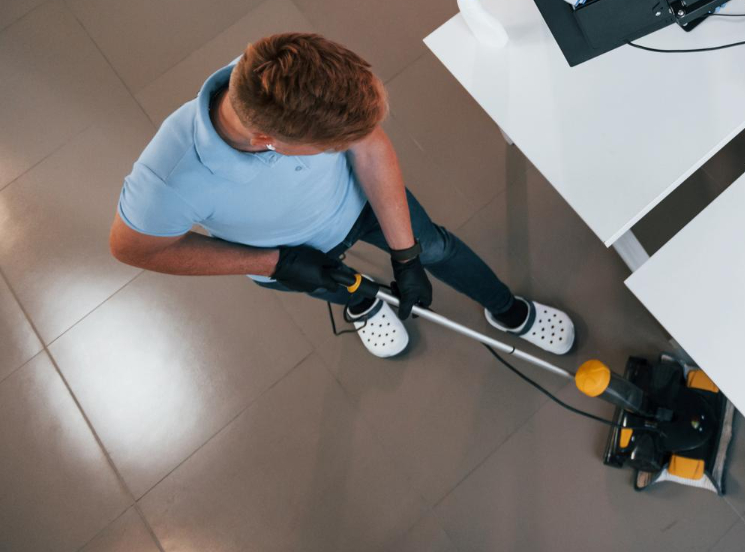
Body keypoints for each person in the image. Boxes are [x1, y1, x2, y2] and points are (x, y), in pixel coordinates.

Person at [109, 33, 575, 359]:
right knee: (337, 284)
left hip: (359, 204)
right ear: (267, 139)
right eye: (330, 147)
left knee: (435, 247)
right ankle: (364, 304)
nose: (344, 146)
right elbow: (132, 248)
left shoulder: (281, 72)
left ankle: (506, 309)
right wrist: (272, 264)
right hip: (288, 251)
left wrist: (407, 256)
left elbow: (369, 148)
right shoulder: (167, 180)